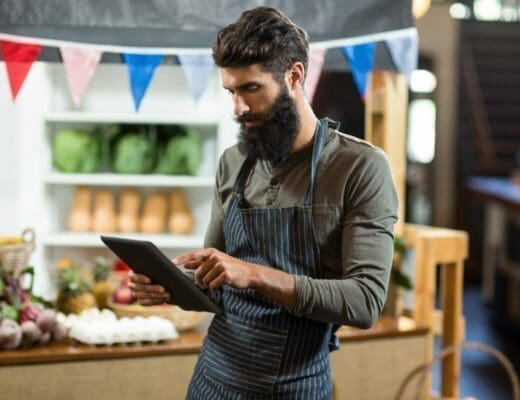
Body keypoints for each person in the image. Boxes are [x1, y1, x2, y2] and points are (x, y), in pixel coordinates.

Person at [128, 6, 398, 399]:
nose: (238, 108)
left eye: (251, 89)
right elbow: (217, 283)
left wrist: (253, 274)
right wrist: (172, 286)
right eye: (230, 92)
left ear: (294, 76)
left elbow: (365, 302)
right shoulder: (233, 163)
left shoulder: (359, 167)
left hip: (296, 388)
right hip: (212, 380)